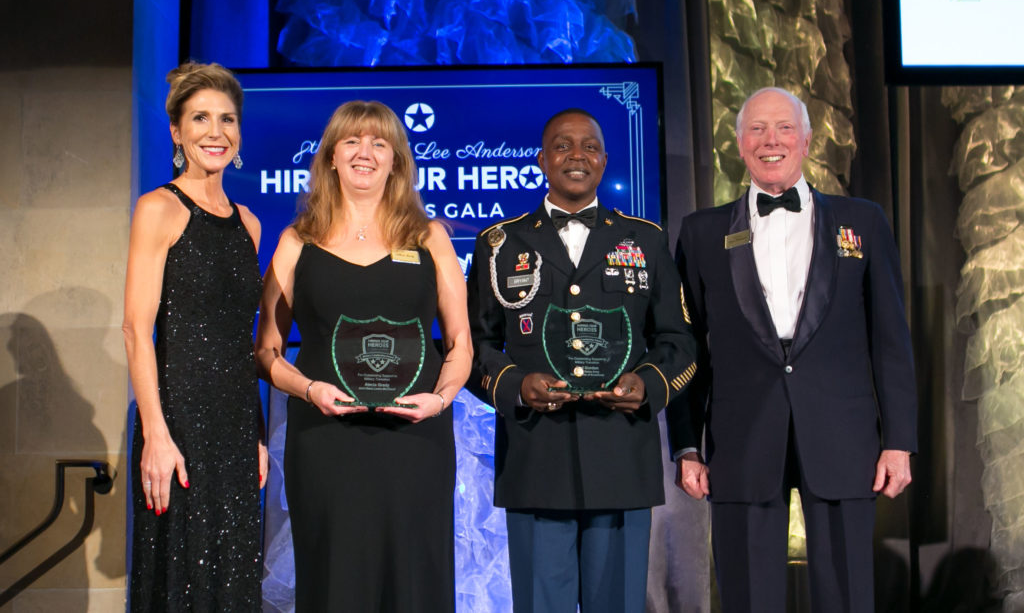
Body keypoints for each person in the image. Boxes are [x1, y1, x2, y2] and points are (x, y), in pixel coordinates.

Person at [668, 87, 917, 613]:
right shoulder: (701, 232)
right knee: (747, 596)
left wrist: (898, 441)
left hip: (843, 436)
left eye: (784, 128)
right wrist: (687, 446)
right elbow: (687, 350)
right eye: (757, 129)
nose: (771, 140)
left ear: (806, 141)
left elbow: (891, 340)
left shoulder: (863, 221)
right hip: (741, 440)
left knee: (848, 595)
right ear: (739, 143)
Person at [467, 108, 697, 613]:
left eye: (590, 146)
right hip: (535, 459)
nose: (577, 155)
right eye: (563, 145)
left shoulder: (646, 239)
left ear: (605, 161)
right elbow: (473, 348)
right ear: (541, 160)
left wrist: (648, 384)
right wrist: (515, 385)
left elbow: (679, 341)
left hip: (620, 457)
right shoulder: (499, 243)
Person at [256, 100, 471, 612]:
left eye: (379, 143)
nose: (365, 152)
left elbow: (461, 343)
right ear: (331, 156)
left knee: (414, 581)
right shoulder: (297, 242)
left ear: (396, 160)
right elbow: (266, 350)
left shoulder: (429, 238)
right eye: (351, 141)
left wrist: (440, 400)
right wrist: (309, 389)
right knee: (335, 580)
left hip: (414, 440)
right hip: (326, 441)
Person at [123, 62, 266, 611]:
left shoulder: (249, 223)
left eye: (227, 119)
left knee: (232, 582)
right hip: (176, 424)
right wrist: (156, 435)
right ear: (176, 132)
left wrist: (256, 434)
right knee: (179, 579)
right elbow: (136, 330)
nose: (216, 132)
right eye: (200, 118)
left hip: (235, 430)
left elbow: (239, 340)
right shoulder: (158, 208)